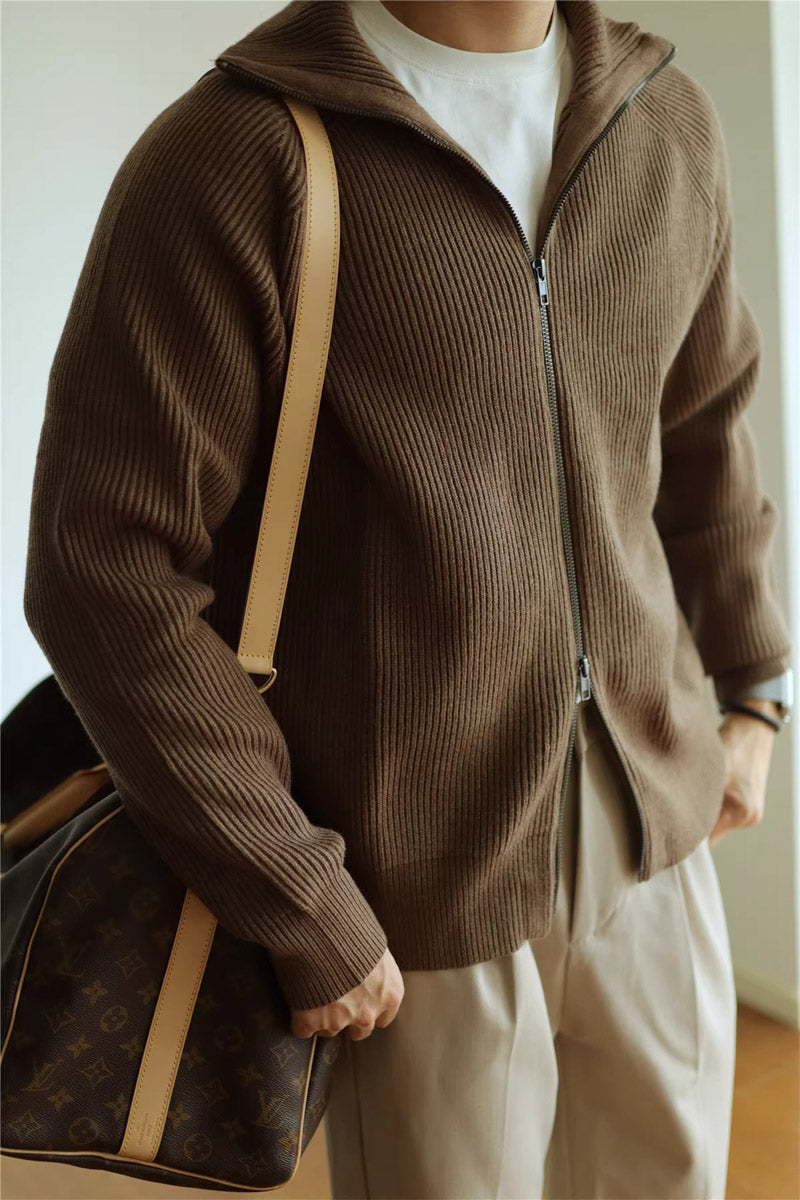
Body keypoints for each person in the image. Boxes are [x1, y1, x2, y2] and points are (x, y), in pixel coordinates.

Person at [23, 1, 793, 1197]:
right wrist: (298, 895)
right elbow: (101, 568)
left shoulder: (662, 122)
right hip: (408, 877)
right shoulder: (237, 156)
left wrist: (756, 690)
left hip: (654, 830)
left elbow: (703, 429)